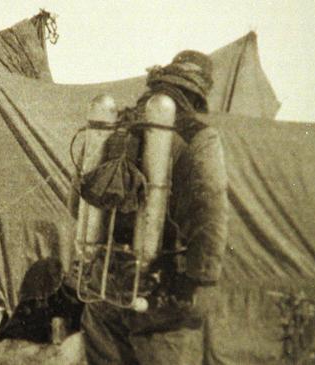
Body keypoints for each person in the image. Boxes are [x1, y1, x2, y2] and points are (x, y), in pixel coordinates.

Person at [80, 50, 229, 364]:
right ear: (200, 90)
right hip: (163, 299)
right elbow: (209, 220)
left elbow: (76, 202)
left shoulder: (112, 128)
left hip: (102, 287)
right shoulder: (199, 137)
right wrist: (198, 290)